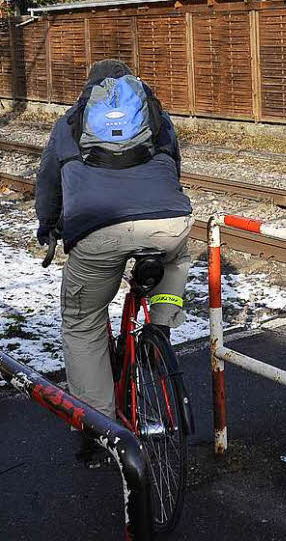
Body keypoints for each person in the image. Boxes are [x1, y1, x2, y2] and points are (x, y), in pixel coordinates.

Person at [35, 59, 193, 464]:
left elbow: (49, 182)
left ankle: (99, 431)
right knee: (176, 261)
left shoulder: (69, 123)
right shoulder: (156, 115)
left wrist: (48, 225)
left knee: (83, 321)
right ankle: (159, 331)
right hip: (167, 222)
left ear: (88, 91)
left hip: (97, 231)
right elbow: (173, 167)